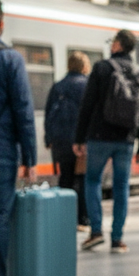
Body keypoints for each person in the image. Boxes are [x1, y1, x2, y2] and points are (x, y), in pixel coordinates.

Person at [74, 29, 139, 253]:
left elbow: (87, 105)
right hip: (126, 139)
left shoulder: (102, 68)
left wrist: (79, 137)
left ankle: (96, 231)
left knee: (93, 181)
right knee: (121, 187)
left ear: (117, 45)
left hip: (99, 136)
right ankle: (117, 239)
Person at [0, 0, 36, 276]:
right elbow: (23, 109)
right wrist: (30, 158)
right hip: (0, 151)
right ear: (1, 22)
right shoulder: (9, 59)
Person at [45, 51, 91, 227]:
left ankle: (65, 218)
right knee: (82, 180)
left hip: (61, 141)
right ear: (85, 66)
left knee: (65, 179)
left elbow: (50, 113)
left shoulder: (58, 86)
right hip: (81, 143)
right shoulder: (87, 85)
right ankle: (83, 218)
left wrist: (49, 139)